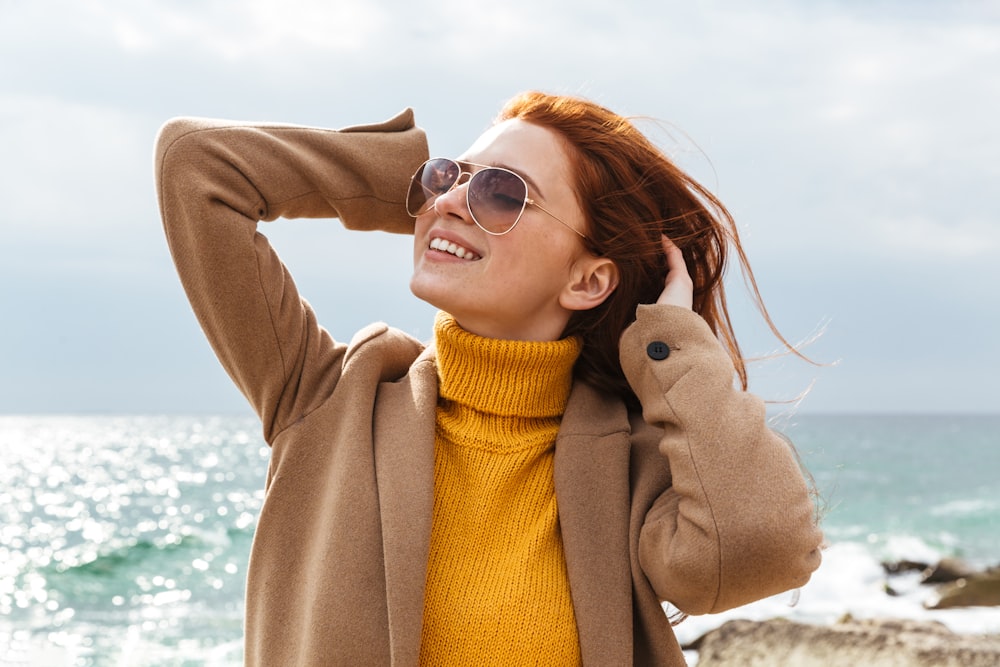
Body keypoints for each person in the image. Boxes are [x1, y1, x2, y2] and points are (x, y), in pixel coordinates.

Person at [154, 91, 823, 666]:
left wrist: (676, 347)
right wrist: (410, 184)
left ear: (588, 279)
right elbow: (198, 165)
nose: (448, 200)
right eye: (449, 177)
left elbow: (767, 547)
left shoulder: (630, 466)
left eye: (501, 193)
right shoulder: (327, 396)